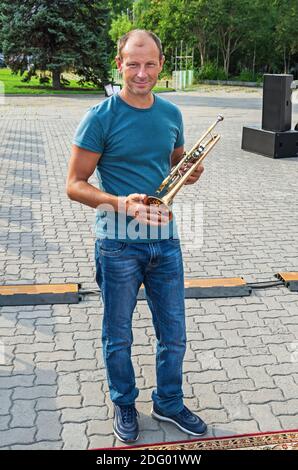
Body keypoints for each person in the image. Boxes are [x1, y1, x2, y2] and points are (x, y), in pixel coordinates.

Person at [66, 29, 206, 443]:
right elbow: (75, 183)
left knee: (174, 333)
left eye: (149, 64)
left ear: (161, 65)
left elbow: (175, 162)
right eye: (133, 63)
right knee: (118, 334)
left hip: (166, 242)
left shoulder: (171, 114)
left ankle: (168, 401)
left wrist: (189, 171)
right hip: (117, 245)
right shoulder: (100, 117)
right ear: (119, 63)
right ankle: (124, 401)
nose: (141, 73)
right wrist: (121, 204)